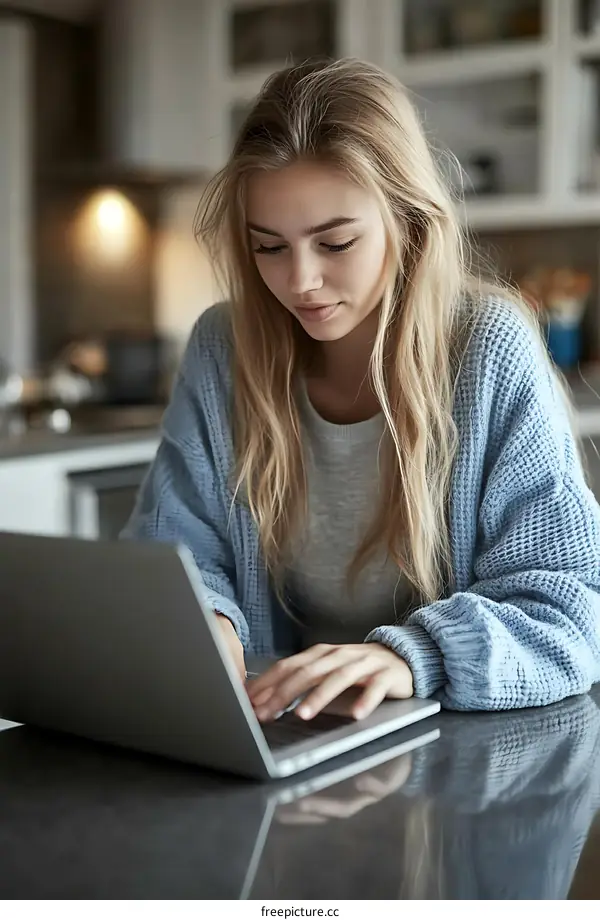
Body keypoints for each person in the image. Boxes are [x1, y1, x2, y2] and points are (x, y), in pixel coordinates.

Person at [123, 57, 600, 720]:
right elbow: (172, 552)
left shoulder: (490, 347)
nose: (301, 281)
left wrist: (412, 657)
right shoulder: (221, 348)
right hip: (284, 733)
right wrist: (206, 623)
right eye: (269, 247)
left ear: (407, 221)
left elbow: (572, 610)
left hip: (453, 752)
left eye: (336, 242)